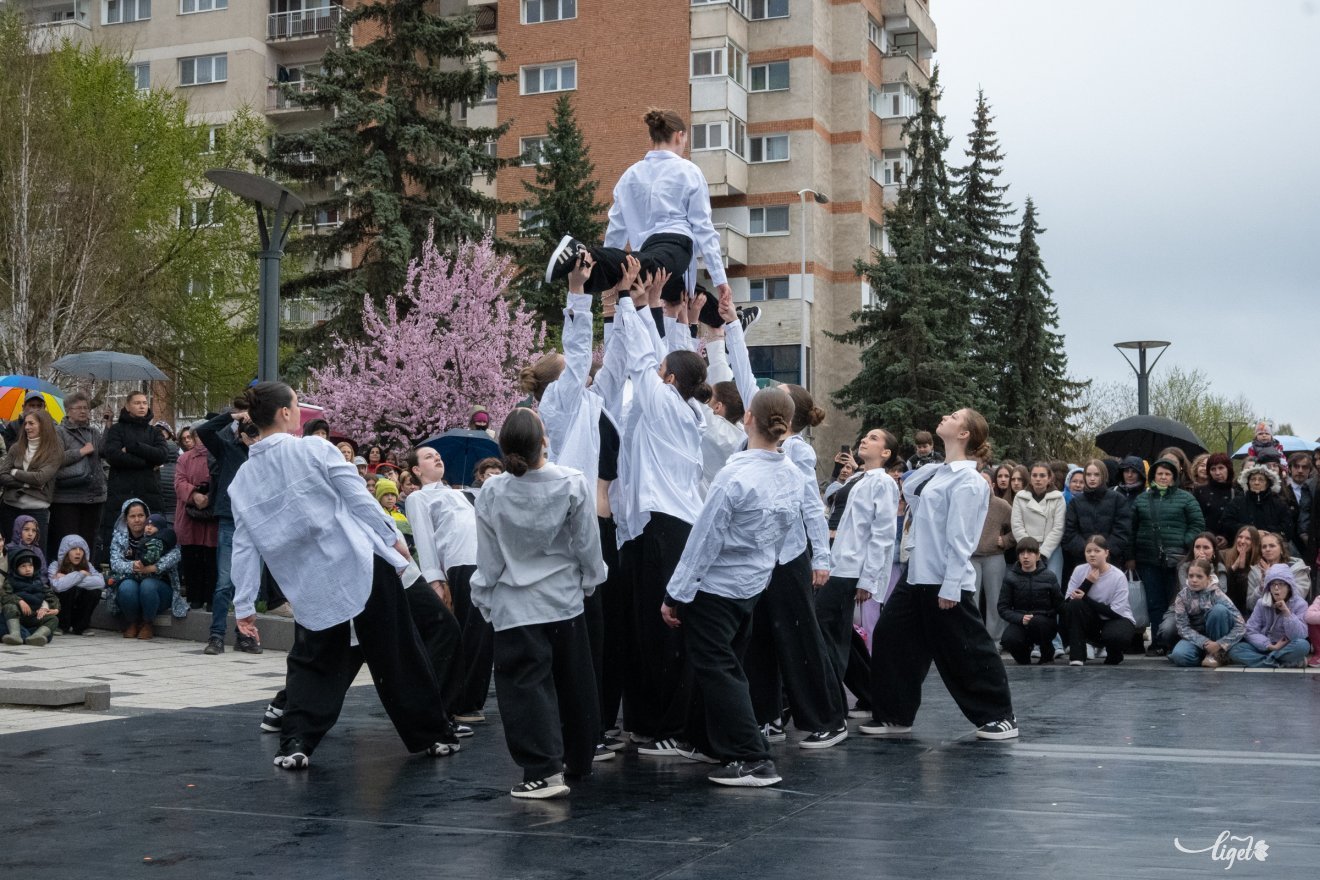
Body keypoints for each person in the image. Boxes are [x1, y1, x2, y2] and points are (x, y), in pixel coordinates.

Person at [229, 382, 459, 771]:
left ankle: (296, 741)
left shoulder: (242, 482)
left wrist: (245, 604)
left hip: (309, 580)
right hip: (358, 562)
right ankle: (432, 734)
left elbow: (245, 545)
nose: (299, 411)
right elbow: (359, 497)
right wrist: (392, 538)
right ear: (285, 413)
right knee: (397, 652)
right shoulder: (314, 448)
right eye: (297, 405)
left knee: (313, 660)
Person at [658, 388, 819, 787]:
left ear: (748, 418)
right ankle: (708, 742)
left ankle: (752, 757)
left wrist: (676, 594)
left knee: (719, 668)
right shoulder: (793, 476)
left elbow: (705, 539)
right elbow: (787, 536)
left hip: (717, 588)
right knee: (725, 665)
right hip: (751, 587)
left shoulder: (735, 476)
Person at [470, 408, 604, 798]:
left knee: (525, 688)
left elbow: (490, 558)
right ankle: (579, 759)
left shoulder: (493, 491)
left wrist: (483, 596)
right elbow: (587, 545)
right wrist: (591, 581)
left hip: (516, 605)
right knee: (575, 683)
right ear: (543, 440)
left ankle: (543, 769)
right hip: (565, 600)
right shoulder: (573, 482)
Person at [862, 408, 1018, 741]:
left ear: (965, 433)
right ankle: (894, 714)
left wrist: (950, 585)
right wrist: (934, 467)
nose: (946, 416)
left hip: (946, 579)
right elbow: (912, 494)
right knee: (892, 638)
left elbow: (963, 536)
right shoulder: (941, 473)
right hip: (917, 574)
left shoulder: (969, 480)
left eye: (954, 416)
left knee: (966, 649)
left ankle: (1000, 716)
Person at [611, 273, 708, 754]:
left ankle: (667, 726)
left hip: (665, 528)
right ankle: (653, 721)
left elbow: (643, 360)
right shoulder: (687, 408)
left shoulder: (666, 404)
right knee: (652, 628)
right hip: (666, 526)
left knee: (661, 631)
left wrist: (632, 302)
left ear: (668, 380)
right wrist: (671, 318)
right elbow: (671, 359)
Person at [545, 108, 730, 310]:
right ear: (679, 136)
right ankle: (584, 255)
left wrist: (609, 272)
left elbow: (616, 230)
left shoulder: (629, 176)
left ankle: (589, 261)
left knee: (677, 292)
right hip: (674, 245)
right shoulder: (689, 171)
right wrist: (720, 279)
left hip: (650, 252)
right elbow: (703, 227)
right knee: (649, 270)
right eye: (685, 140)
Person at [813, 427, 895, 736]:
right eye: (865, 436)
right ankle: (871, 694)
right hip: (836, 562)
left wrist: (868, 579)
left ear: (886, 453)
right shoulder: (858, 478)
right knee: (840, 634)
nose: (865, 439)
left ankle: (832, 709)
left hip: (850, 569)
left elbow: (883, 534)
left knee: (821, 627)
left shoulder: (884, 483)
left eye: (874, 438)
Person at [405, 446, 491, 724]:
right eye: (428, 457)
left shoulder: (461, 493)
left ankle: (470, 698)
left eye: (437, 455)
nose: (437, 457)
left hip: (483, 560)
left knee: (483, 632)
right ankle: (460, 701)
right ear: (417, 470)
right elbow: (424, 538)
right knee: (471, 631)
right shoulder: (418, 498)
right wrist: (435, 580)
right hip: (459, 562)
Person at [197, 405, 266, 655]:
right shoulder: (228, 450)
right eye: (247, 429)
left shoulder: (266, 454)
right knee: (224, 583)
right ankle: (216, 636)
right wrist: (233, 417)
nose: (251, 432)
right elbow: (204, 431)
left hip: (257, 523)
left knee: (249, 585)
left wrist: (258, 444)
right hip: (230, 520)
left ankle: (245, 636)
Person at [1129, 457, 1205, 656]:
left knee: (1176, 602)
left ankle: (1174, 641)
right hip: (1148, 559)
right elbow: (1132, 529)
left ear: (1174, 477)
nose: (1163, 477)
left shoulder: (1186, 498)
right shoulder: (1142, 499)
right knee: (1155, 603)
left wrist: (1184, 542)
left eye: (1167, 474)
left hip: (1177, 560)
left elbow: (1197, 525)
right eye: (1159, 473)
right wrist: (1131, 555)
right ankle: (1158, 642)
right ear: (1153, 476)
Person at [98, 391, 168, 564]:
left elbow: (162, 455)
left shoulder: (154, 432)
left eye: (144, 402)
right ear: (128, 406)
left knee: (151, 537)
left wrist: (133, 447)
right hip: (122, 491)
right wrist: (147, 462)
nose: (142, 406)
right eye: (137, 403)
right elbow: (113, 456)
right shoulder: (116, 430)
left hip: (149, 491)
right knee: (120, 538)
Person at [107, 499, 183, 640]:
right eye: (132, 516)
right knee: (126, 588)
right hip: (131, 579)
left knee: (148, 585)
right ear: (126, 519)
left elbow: (176, 554)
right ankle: (132, 622)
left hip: (159, 586)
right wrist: (134, 566)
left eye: (141, 516)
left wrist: (153, 568)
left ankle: (148, 623)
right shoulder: (119, 537)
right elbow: (115, 562)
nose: (137, 520)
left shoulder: (160, 532)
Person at [48, 392, 107, 563]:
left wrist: (108, 425)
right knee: (68, 543)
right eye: (78, 408)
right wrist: (81, 452)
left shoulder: (94, 432)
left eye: (86, 408)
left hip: (94, 497)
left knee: (89, 543)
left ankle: (86, 582)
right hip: (67, 498)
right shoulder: (59, 432)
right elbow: (55, 459)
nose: (83, 411)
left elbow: (103, 453)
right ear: (68, 411)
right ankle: (66, 583)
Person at [1061, 535, 1136, 666]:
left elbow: (1116, 612)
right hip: (1092, 619)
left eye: (1097, 551)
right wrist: (1087, 583)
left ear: (1106, 553)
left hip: (1116, 619)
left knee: (1115, 637)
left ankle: (1114, 654)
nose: (1092, 555)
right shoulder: (1079, 570)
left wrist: (1085, 598)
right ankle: (1077, 656)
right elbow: (1067, 602)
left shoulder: (1118, 576)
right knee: (1075, 605)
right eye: (1088, 551)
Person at [0, 409, 62, 550]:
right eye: (26, 424)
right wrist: (28, 484)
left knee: (36, 557)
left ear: (43, 425)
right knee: (12, 555)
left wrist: (14, 471)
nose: (27, 427)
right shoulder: (16, 448)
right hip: (10, 509)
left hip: (37, 512)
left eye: (31, 423)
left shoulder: (54, 451)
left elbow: (40, 478)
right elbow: (2, 475)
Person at [1167, 558, 1245, 668]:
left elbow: (1240, 625)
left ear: (1208, 578)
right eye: (1191, 576)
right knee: (1179, 656)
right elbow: (1182, 627)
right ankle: (1206, 657)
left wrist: (1220, 644)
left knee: (1219, 610)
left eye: (1199, 576)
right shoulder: (1182, 597)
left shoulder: (1217, 594)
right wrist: (1205, 643)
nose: (1194, 580)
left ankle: (1217, 655)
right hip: (1196, 638)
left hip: (1218, 638)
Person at [1229, 563, 1311, 667]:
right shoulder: (1262, 603)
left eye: (1281, 584)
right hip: (1264, 647)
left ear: (1289, 587)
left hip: (1286, 648)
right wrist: (1269, 646)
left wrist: (1287, 613)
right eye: (1273, 584)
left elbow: (1300, 635)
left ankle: (1266, 661)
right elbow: (1250, 630)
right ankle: (1280, 663)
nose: (1276, 588)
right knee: (1235, 650)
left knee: (1303, 646)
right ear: (1269, 587)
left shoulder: (1300, 604)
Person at [1062, 458, 1133, 578]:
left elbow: (1122, 531)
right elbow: (1070, 532)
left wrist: (1104, 552)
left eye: (1096, 474)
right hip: (1082, 562)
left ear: (1104, 475)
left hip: (1111, 561)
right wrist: (1089, 552)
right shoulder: (1076, 502)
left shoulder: (1117, 499)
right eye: (1088, 474)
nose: (1092, 478)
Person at [997, 538, 1063, 665]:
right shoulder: (1010, 577)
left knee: (1038, 623)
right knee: (1009, 639)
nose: (1025, 557)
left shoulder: (1049, 576)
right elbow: (1003, 608)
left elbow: (1059, 604)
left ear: (1038, 556)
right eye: (1022, 553)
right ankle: (1024, 656)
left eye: (1030, 553)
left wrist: (1047, 615)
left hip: (1044, 622)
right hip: (1021, 620)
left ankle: (1047, 653)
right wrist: (1020, 618)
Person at [175, 422, 218, 612]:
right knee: (191, 558)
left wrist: (210, 496)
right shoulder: (184, 458)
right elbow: (179, 482)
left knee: (211, 559)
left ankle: (211, 597)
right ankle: (194, 596)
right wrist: (194, 495)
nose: (200, 440)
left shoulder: (218, 456)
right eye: (197, 436)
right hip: (189, 516)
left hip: (211, 516)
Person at [973, 478, 1015, 642]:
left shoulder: (1001, 505)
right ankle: (974, 637)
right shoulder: (966, 502)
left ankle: (996, 639)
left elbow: (1017, 528)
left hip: (994, 556)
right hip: (971, 557)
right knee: (972, 599)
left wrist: (1005, 541)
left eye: (986, 483)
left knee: (995, 598)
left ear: (992, 485)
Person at [1011, 462, 1066, 580]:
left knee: (1051, 586)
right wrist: (1029, 550)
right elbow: (1017, 525)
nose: (1038, 479)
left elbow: (1059, 528)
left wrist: (1044, 554)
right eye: (1034, 475)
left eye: (1042, 476)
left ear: (1049, 478)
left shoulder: (1058, 498)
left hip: (1052, 550)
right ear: (1030, 477)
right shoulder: (1020, 497)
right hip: (1026, 550)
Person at [1220, 463, 1295, 550]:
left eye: (1261, 480)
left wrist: (1266, 533)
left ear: (1267, 483)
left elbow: (1287, 528)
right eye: (1253, 479)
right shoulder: (1237, 502)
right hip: (1243, 548)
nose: (1256, 482)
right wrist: (1252, 532)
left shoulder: (1279, 504)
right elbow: (1227, 523)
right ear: (1248, 483)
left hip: (1270, 548)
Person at [1, 546, 59, 646]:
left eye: (30, 566)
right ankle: (15, 635)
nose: (28, 569)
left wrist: (53, 608)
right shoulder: (11, 581)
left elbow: (52, 597)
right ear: (16, 568)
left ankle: (36, 637)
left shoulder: (40, 583)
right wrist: (20, 601)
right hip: (18, 615)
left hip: (34, 615)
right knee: (9, 606)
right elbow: (5, 596)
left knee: (53, 619)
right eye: (23, 566)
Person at [48, 534, 104, 636]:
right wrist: (81, 575)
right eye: (73, 549)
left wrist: (69, 577)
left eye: (81, 549)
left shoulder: (88, 566)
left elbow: (100, 583)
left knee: (94, 592)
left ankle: (81, 627)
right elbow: (57, 586)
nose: (78, 552)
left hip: (79, 606)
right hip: (62, 609)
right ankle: (61, 626)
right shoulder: (55, 565)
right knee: (67, 589)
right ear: (66, 551)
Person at [1244, 530, 1311, 612]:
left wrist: (1271, 576)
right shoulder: (1255, 571)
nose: (1267, 549)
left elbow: (1298, 598)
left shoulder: (1297, 568)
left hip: (1290, 616)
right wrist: (1261, 587)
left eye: (1272, 546)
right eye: (1264, 547)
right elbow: (1250, 605)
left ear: (1282, 549)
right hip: (1263, 619)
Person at [1194, 453, 1239, 547]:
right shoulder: (1200, 491)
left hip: (1230, 545)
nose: (1217, 473)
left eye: (1221, 468)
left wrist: (1227, 537)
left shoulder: (1237, 493)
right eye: (1213, 469)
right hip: (1205, 542)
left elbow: (1238, 521)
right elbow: (1196, 519)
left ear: (1228, 469)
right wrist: (1210, 537)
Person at [1281, 452, 1315, 562]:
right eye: (1296, 466)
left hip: (1311, 544)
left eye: (1304, 467)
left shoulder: (1314, 489)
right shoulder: (1281, 490)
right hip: (1289, 545)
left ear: (1310, 470)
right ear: (1290, 469)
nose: (1300, 470)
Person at [1221, 525, 1260, 614]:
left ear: (1255, 543)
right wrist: (1234, 567)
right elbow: (1224, 590)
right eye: (1240, 537)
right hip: (1225, 607)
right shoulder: (1223, 555)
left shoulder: (1258, 563)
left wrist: (1242, 570)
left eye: (1248, 539)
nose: (1242, 541)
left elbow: (1244, 598)